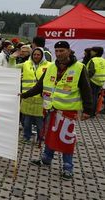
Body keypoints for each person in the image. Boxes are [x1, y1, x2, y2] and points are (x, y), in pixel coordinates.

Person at [22, 41, 93, 180]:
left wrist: (88, 110)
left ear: (68, 51)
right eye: (57, 51)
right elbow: (39, 86)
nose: (59, 54)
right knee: (49, 135)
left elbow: (86, 90)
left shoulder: (79, 68)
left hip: (68, 112)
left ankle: (68, 167)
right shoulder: (51, 67)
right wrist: (24, 95)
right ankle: (46, 159)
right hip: (51, 110)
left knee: (66, 139)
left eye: (62, 51)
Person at [13, 48, 51, 144]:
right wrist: (12, 58)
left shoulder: (50, 66)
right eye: (34, 54)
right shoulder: (26, 64)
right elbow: (12, 67)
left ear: (42, 56)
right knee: (26, 121)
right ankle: (26, 137)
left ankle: (41, 138)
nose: (36, 56)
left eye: (38, 54)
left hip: (40, 98)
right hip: (27, 97)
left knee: (40, 121)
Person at [87, 46, 105, 116]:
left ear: (95, 52)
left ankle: (90, 112)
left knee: (92, 97)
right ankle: (94, 112)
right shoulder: (103, 60)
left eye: (92, 51)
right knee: (96, 96)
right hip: (101, 81)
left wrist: (86, 80)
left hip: (93, 80)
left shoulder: (93, 60)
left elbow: (91, 72)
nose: (91, 52)